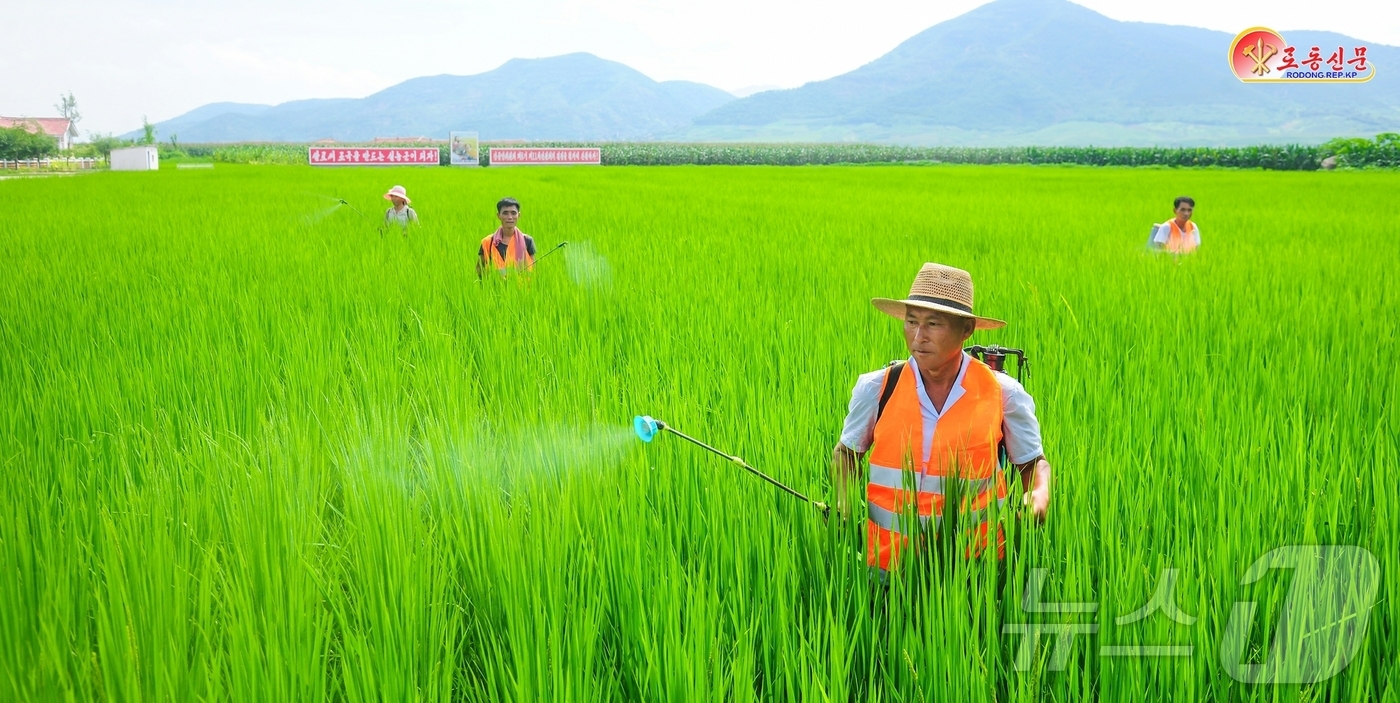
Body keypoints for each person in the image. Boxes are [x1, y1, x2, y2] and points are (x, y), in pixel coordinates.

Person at [830, 263, 1052, 571]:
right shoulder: (877, 388)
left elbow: (1033, 463)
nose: (918, 336)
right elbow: (845, 453)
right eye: (911, 322)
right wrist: (843, 496)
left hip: (974, 569)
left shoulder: (1003, 393)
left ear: (966, 330)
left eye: (933, 324)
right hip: (887, 567)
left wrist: (1039, 494)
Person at [477, 197, 536, 279]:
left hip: (523, 289)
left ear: (518, 215)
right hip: (494, 289)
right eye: (505, 213)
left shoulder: (527, 240)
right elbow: (480, 270)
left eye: (513, 213)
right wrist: (494, 278)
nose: (510, 217)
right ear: (498, 216)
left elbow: (533, 271)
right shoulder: (488, 242)